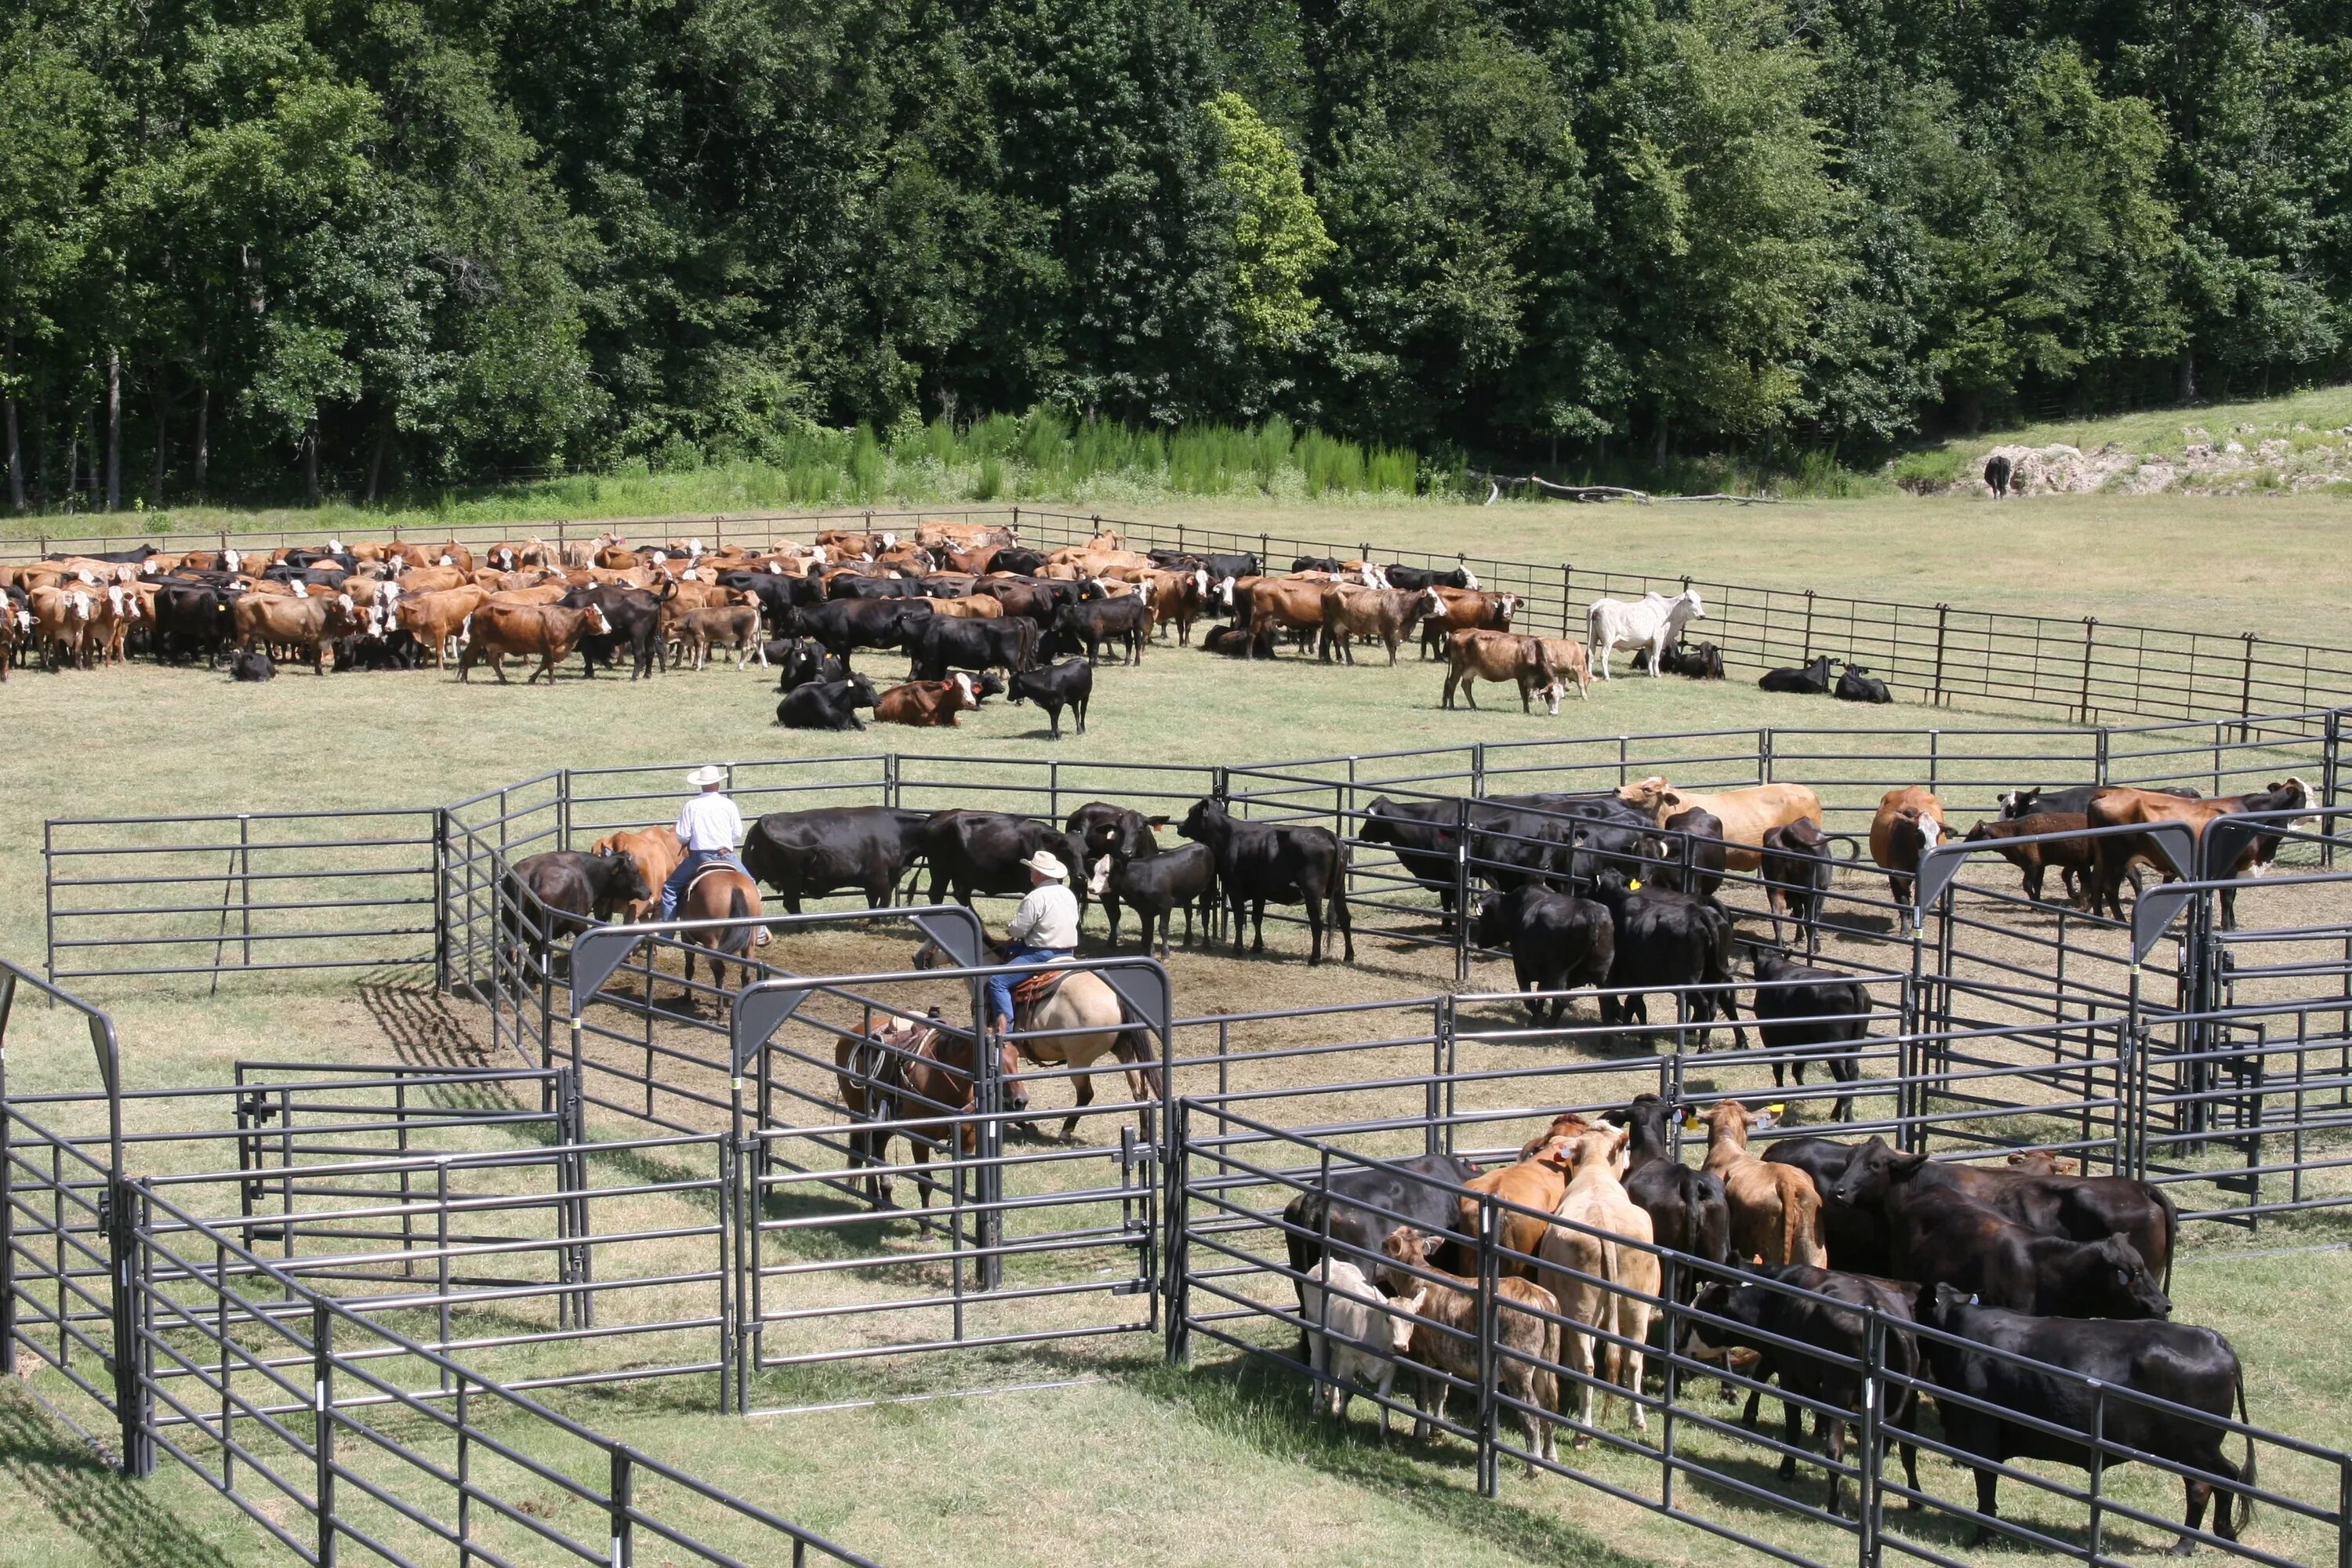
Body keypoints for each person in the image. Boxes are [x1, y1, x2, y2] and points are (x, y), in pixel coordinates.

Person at [986, 851, 1080, 1036]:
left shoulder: (1035, 898)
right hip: (1068, 952)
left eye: (1031, 870)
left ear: (1037, 873)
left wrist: (1011, 928)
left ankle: (1007, 1032)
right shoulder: (1068, 894)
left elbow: (1018, 931)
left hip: (1041, 954)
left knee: (997, 981)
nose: (1030, 874)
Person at [659, 765, 746, 920]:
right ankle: (760, 930)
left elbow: (683, 835)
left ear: (701, 784)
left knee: (670, 889)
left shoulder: (691, 806)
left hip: (699, 858)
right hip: (726, 855)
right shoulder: (728, 804)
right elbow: (737, 833)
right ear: (718, 784)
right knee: (750, 884)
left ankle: (667, 933)